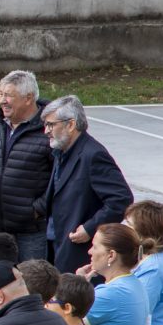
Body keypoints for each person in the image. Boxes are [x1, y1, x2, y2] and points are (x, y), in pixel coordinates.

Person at [41, 96, 132, 274]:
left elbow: (121, 199)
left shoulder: (93, 155)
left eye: (51, 124)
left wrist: (90, 228)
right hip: (56, 245)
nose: (46, 130)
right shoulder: (61, 153)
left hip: (79, 254)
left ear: (71, 124)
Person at [0, 72, 53, 262]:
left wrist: (37, 209)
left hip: (31, 231)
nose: (3, 100)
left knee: (31, 283)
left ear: (28, 98)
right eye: (1, 94)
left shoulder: (48, 129)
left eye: (9, 95)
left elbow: (58, 177)